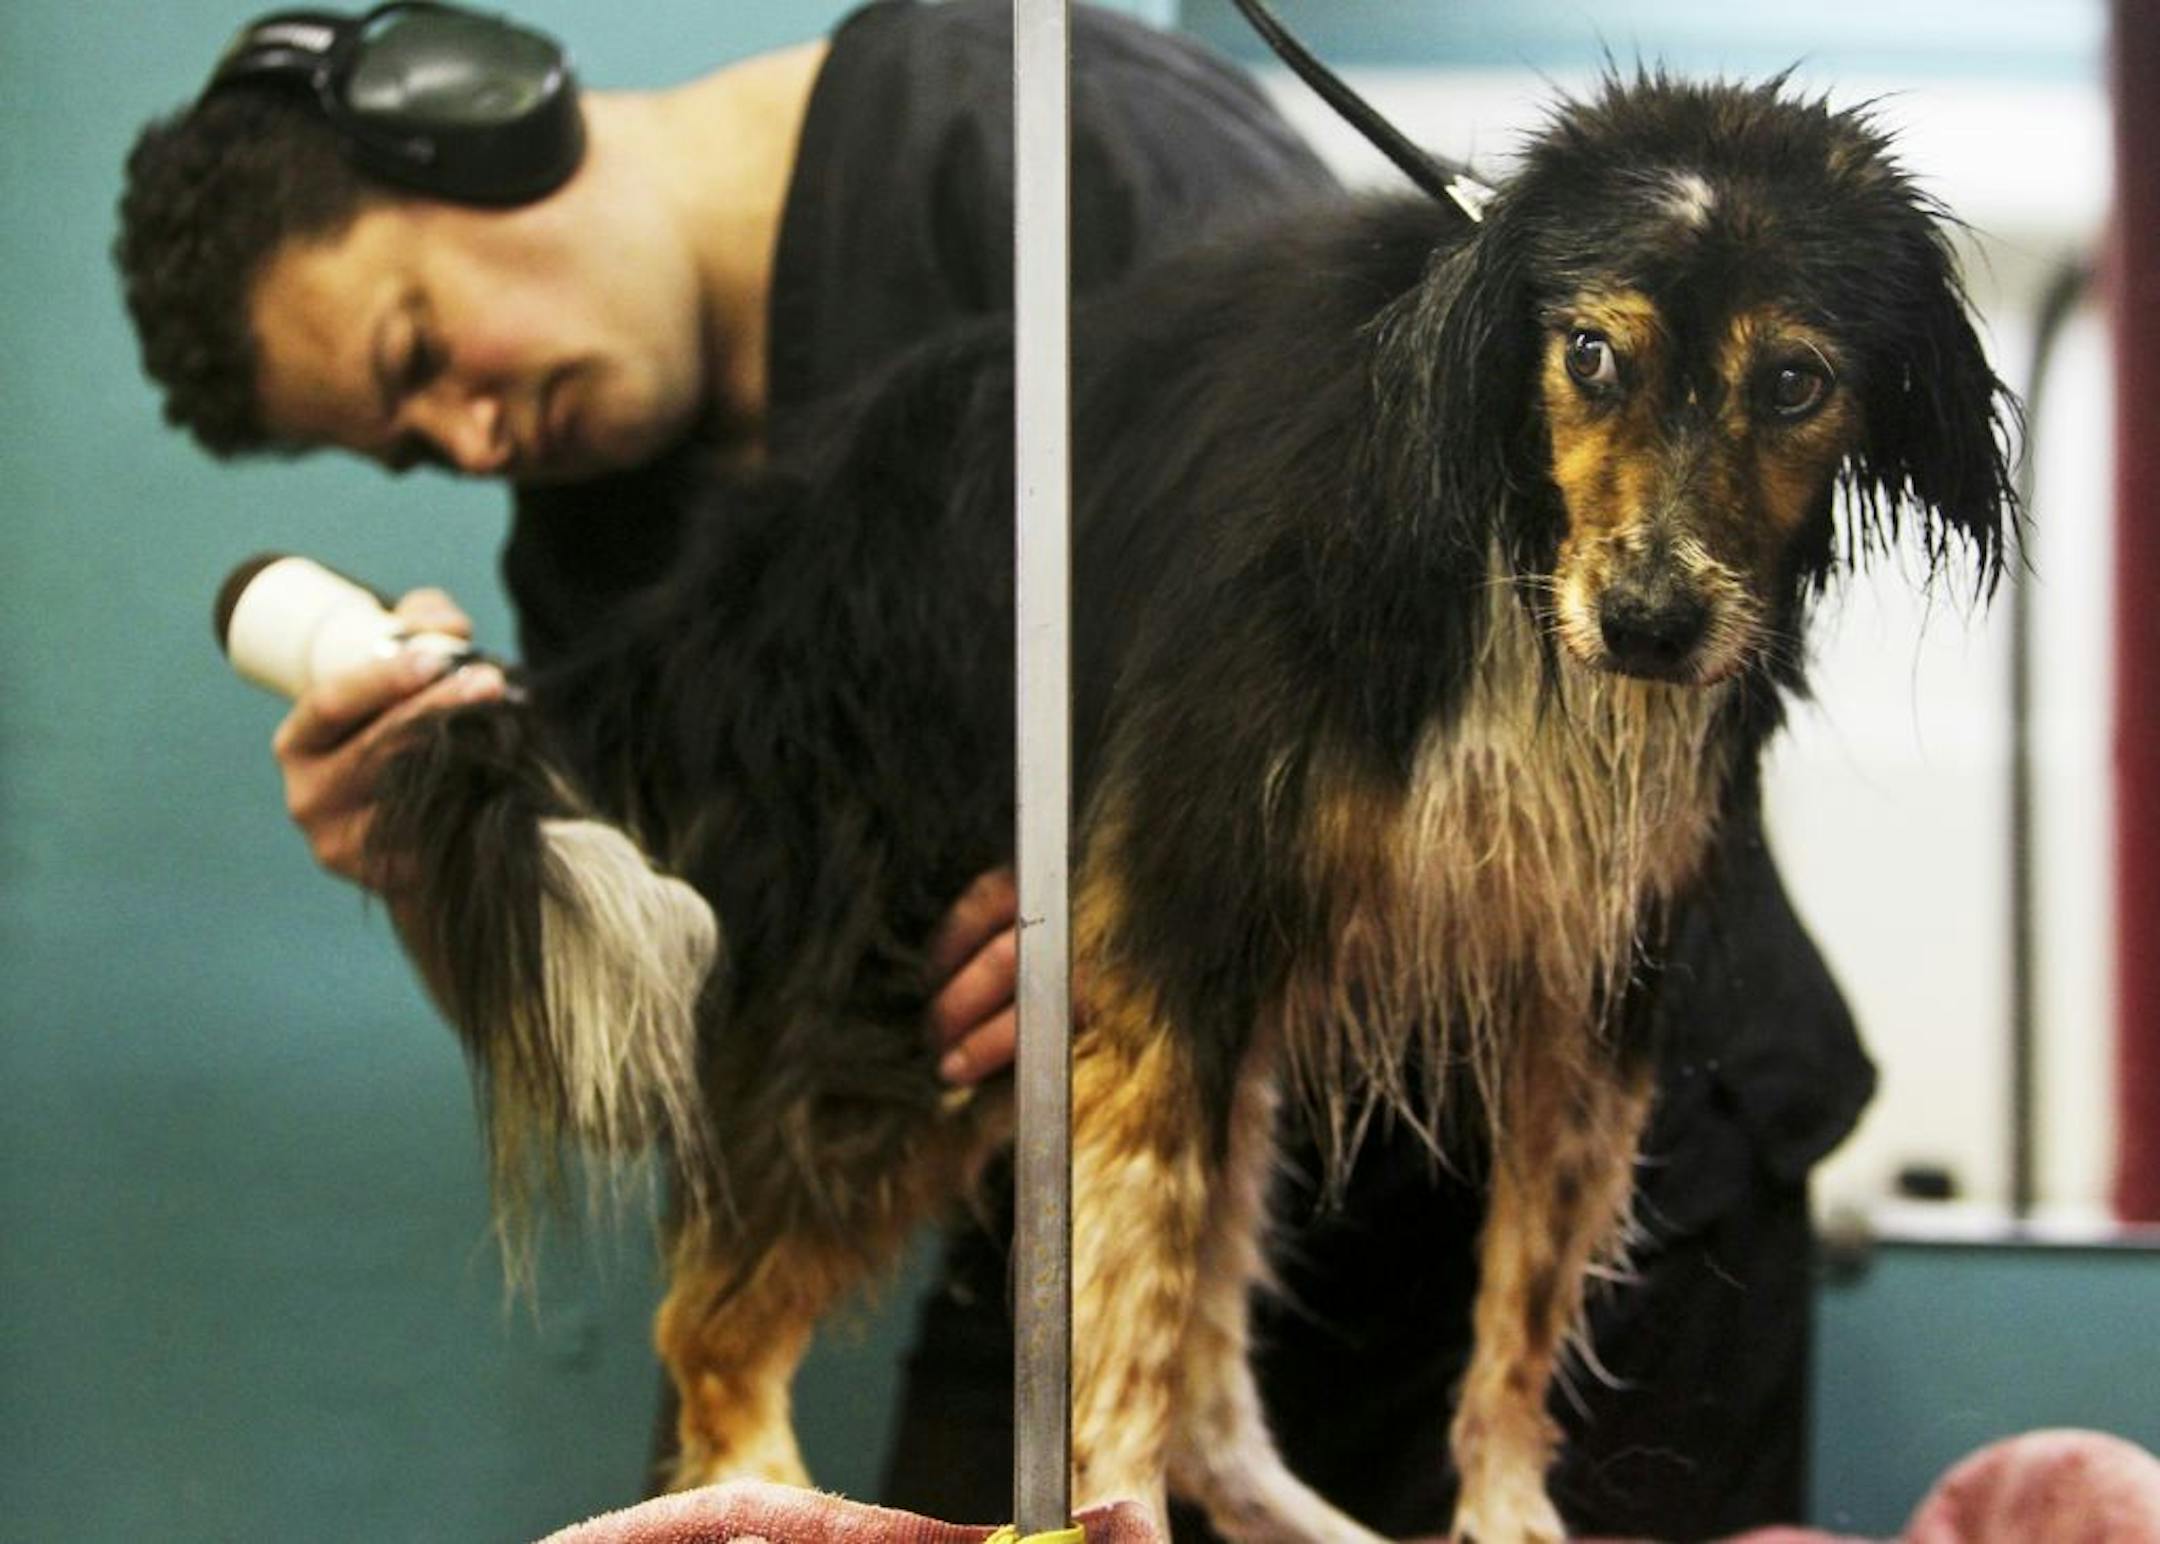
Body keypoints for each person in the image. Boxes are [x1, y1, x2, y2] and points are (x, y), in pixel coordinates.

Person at [115, 3, 1875, 1537]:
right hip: (1090, 1180)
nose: (476, 435)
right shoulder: (597, 532)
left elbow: (1484, 625)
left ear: (477, 120)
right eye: (411, 449)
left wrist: (1129, 896)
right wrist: (445, 851)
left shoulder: (1042, 135)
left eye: (423, 357)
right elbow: (674, 1038)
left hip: (1546, 1155)